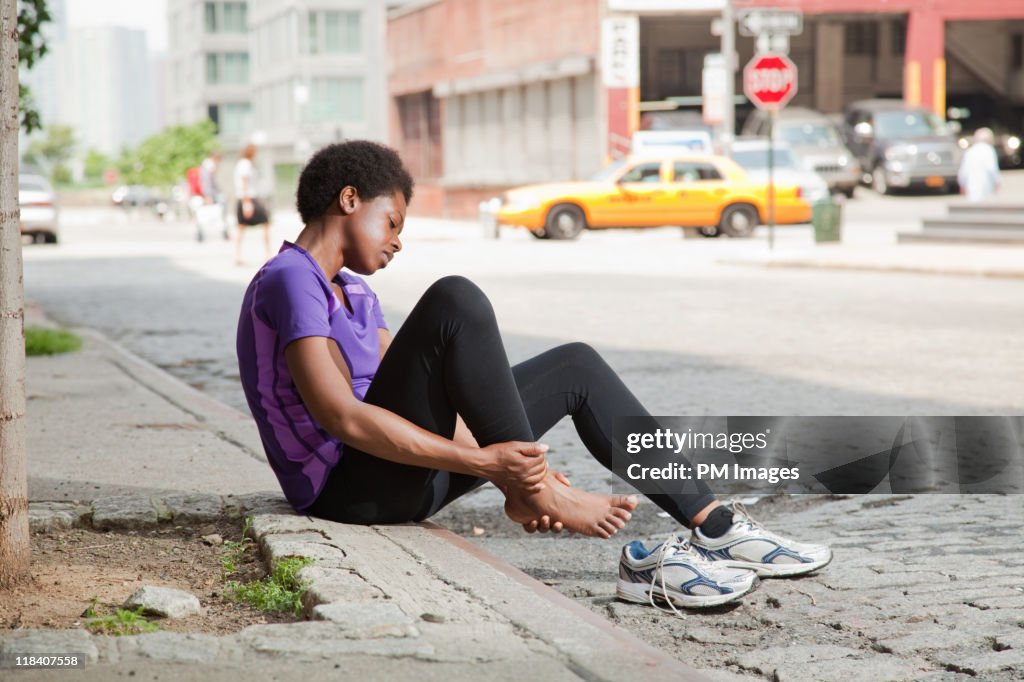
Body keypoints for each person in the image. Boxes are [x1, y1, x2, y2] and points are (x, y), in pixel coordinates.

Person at [235, 141, 832, 611]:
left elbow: (424, 405)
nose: (398, 241)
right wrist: (494, 467)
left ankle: (717, 524)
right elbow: (343, 417)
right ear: (348, 200)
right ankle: (536, 494)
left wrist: (517, 465)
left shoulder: (358, 295)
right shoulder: (291, 278)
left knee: (575, 365)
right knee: (455, 300)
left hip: (404, 476)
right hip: (347, 492)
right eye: (391, 221)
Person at [233, 144, 271, 265]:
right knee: (264, 222)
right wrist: (247, 203)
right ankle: (266, 253)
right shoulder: (245, 164)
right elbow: (244, 183)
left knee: (241, 227)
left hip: (246, 198)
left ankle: (238, 254)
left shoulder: (242, 163)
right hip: (247, 198)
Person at [958, 128, 1000, 202]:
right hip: (985, 185)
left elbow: (963, 171)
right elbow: (992, 168)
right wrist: (997, 182)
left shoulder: (970, 151)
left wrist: (962, 185)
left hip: (971, 185)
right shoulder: (989, 150)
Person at [193, 150, 224, 242]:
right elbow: (206, 183)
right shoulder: (208, 167)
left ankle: (201, 233)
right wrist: (208, 196)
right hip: (208, 195)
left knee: (205, 215)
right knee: (210, 214)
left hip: (209, 194)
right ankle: (200, 234)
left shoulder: (207, 166)